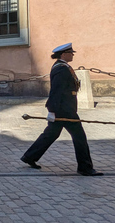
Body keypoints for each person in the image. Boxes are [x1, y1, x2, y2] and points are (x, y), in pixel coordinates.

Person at [21, 43, 102, 176]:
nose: (73, 54)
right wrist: (52, 110)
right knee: (79, 137)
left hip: (64, 108)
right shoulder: (61, 69)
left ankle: (29, 157)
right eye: (71, 53)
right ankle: (85, 168)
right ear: (64, 54)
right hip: (64, 110)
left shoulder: (63, 67)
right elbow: (56, 91)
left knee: (51, 134)